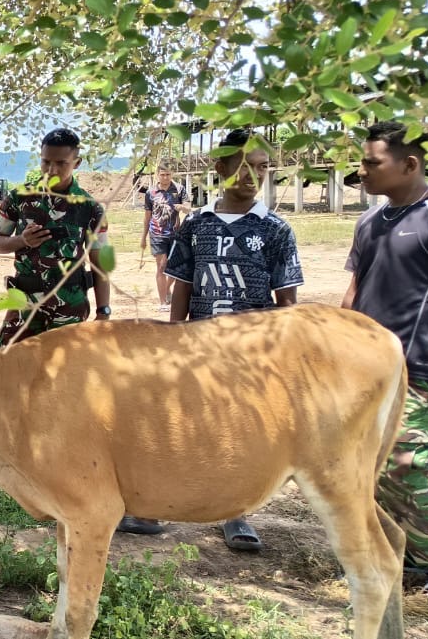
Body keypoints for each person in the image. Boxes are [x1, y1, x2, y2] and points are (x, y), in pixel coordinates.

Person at [119, 129, 304, 545]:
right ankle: (151, 508)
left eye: (262, 167)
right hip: (197, 347)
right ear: (219, 167)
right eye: (243, 166)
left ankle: (235, 513)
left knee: (239, 432)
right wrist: (173, 340)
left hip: (251, 355)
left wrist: (281, 355)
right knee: (175, 423)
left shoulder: (275, 229)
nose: (253, 175)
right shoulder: (196, 225)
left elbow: (287, 302)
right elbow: (183, 286)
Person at [342, 120, 428, 601]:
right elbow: (355, 290)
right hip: (364, 371)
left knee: (403, 464)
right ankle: (402, 555)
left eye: (371, 162)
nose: (361, 171)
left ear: (409, 164)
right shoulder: (369, 221)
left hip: (419, 367)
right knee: (365, 466)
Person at [0, 127, 111, 346]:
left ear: (77, 163)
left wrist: (103, 312)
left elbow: (99, 265)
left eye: (61, 163)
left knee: (64, 367)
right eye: (46, 162)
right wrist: (21, 240)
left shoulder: (91, 208)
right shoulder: (19, 198)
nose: (51, 170)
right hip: (24, 305)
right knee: (5, 362)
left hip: (69, 308)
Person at [140, 166, 189, 309]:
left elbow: (188, 207)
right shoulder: (151, 192)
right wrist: (143, 237)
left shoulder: (179, 189)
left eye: (168, 174)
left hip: (175, 234)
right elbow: (147, 216)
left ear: (172, 174)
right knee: (161, 266)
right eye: (162, 174)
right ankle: (163, 303)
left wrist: (183, 207)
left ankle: (167, 288)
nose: (165, 177)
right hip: (157, 234)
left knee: (175, 267)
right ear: (157, 175)